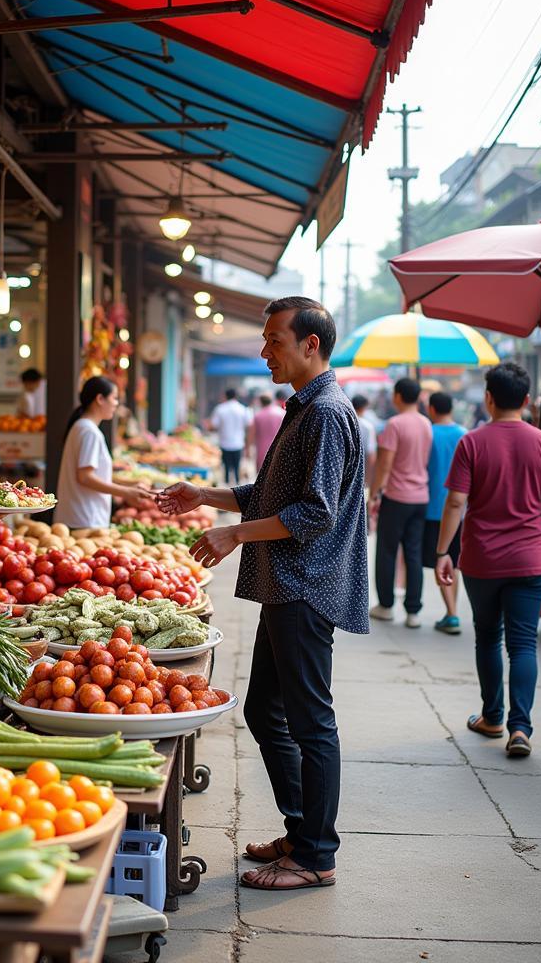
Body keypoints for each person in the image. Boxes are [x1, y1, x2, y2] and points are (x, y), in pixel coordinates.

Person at [156, 295, 367, 892]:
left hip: (306, 585)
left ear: (311, 345)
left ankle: (315, 855)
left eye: (275, 339)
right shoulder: (304, 408)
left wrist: (233, 533)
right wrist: (210, 497)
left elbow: (314, 512)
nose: (264, 349)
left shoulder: (325, 413)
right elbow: (274, 490)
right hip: (288, 586)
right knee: (265, 712)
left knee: (310, 723)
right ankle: (302, 831)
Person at [436, 362, 541, 758]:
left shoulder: (472, 442)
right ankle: (521, 729)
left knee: (489, 637)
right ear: (527, 400)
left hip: (482, 560)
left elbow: (457, 500)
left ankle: (492, 716)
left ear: (488, 398)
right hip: (530, 561)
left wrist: (443, 551)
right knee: (523, 645)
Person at [368, 378, 432, 628]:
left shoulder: (394, 425)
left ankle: (386, 605)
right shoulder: (426, 424)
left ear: (397, 396)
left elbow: (384, 464)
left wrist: (374, 494)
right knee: (413, 553)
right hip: (420, 497)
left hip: (396, 497)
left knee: (387, 551)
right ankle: (413, 611)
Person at [53, 377, 152, 530]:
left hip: (80, 518)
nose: (116, 404)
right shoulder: (89, 431)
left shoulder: (83, 427)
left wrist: (130, 485)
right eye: (114, 398)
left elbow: (96, 475)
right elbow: (85, 477)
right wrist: (126, 492)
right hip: (84, 520)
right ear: (100, 399)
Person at [424, 391, 467, 635]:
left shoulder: (429, 434)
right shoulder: (463, 434)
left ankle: (451, 613)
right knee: (455, 562)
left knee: (442, 561)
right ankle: (452, 611)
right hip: (460, 509)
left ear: (431, 409)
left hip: (433, 508)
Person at [208, 389, 250, 485]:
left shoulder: (220, 409)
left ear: (225, 396)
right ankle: (238, 484)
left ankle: (227, 484)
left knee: (226, 466)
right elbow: (248, 425)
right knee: (237, 465)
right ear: (236, 396)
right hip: (239, 442)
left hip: (224, 442)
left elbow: (214, 425)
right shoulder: (243, 409)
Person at [248, 393, 286, 472]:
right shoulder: (281, 413)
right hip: (279, 447)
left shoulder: (258, 415)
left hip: (262, 449)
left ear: (260, 402)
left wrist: (248, 448)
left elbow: (251, 433)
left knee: (262, 474)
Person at [351, 394, 377, 484]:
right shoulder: (367, 427)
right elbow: (371, 455)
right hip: (361, 473)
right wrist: (368, 480)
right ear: (363, 408)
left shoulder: (346, 422)